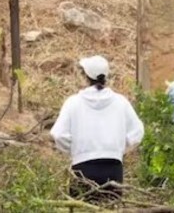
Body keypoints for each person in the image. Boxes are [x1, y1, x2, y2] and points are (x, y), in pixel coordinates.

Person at [50, 55, 144, 203]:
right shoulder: (121, 102)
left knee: (83, 208)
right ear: (106, 77)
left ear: (85, 76)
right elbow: (137, 131)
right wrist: (118, 148)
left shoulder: (73, 103)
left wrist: (75, 150)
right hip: (113, 169)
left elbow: (58, 134)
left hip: (83, 168)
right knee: (110, 208)